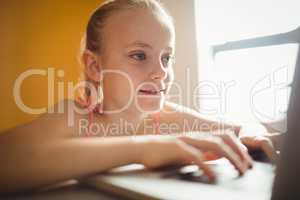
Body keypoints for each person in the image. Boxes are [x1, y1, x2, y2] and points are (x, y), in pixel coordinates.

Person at [0, 0, 279, 193]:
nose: (161, 72)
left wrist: (252, 133)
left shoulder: (167, 118)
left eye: (166, 57)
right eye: (139, 55)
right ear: (95, 66)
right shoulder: (76, 116)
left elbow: (240, 127)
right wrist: (142, 147)